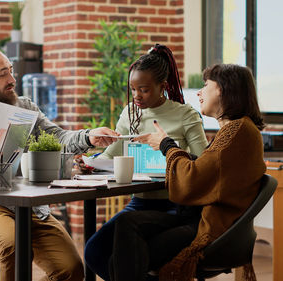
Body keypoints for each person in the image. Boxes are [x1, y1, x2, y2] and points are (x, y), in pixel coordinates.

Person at [0, 47, 118, 281]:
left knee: (70, 269)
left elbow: (58, 138)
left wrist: (88, 137)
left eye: (11, 71)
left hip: (29, 204)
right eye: (2, 74)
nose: (12, 80)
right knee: (11, 246)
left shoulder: (25, 107)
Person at [110, 63, 266, 281]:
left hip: (210, 226)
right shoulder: (239, 129)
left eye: (205, 85)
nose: (200, 92)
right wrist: (171, 148)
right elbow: (207, 168)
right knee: (125, 225)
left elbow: (193, 180)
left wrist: (166, 145)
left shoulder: (236, 131)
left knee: (128, 250)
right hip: (210, 219)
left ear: (222, 89)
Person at [84, 44, 208, 280]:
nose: (137, 96)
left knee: (125, 257)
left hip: (175, 205)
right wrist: (90, 162)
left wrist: (167, 144)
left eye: (144, 89)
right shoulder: (130, 113)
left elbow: (202, 164)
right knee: (94, 252)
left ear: (163, 86)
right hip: (140, 203)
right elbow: (112, 154)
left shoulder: (186, 114)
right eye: (133, 89)